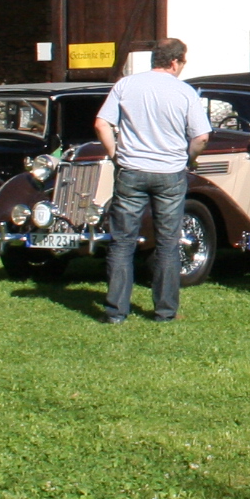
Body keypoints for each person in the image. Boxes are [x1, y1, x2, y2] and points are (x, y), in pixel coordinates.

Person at [93, 38, 211, 325]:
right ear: (174, 62)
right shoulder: (185, 93)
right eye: (183, 62)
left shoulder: (126, 85)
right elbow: (202, 137)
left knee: (122, 243)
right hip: (169, 173)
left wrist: (115, 155)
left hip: (131, 170)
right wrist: (187, 158)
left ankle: (116, 312)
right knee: (168, 243)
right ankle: (164, 311)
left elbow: (101, 123)